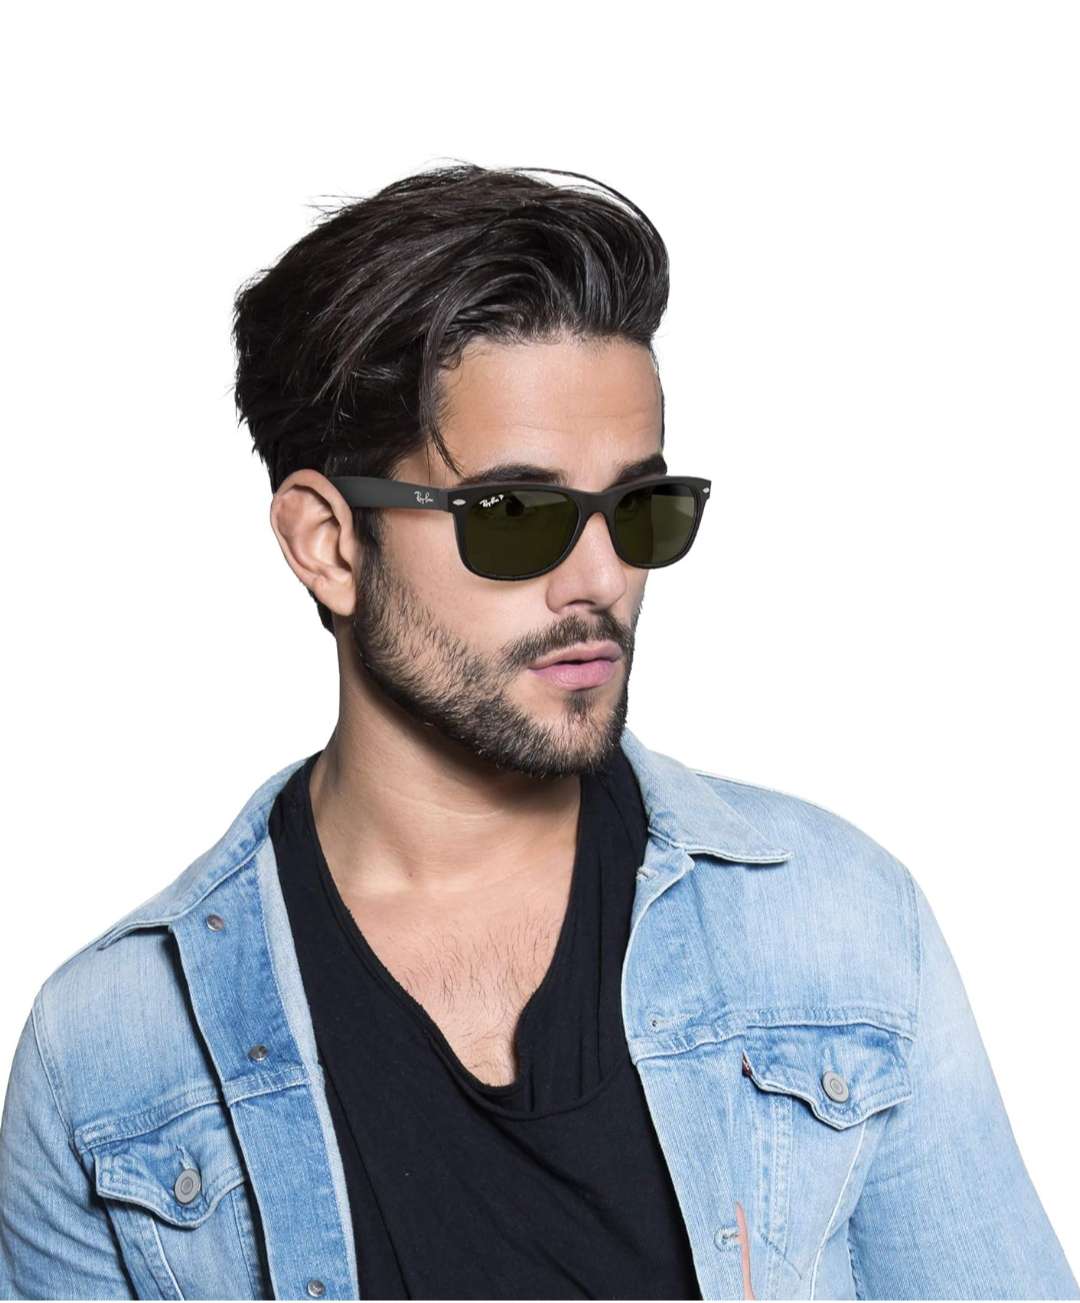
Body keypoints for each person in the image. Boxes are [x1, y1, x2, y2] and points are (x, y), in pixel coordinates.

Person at [0, 163, 1075, 1303]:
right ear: (328, 543)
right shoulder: (113, 1056)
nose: (601, 578)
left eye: (640, 508)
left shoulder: (838, 927)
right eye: (515, 514)